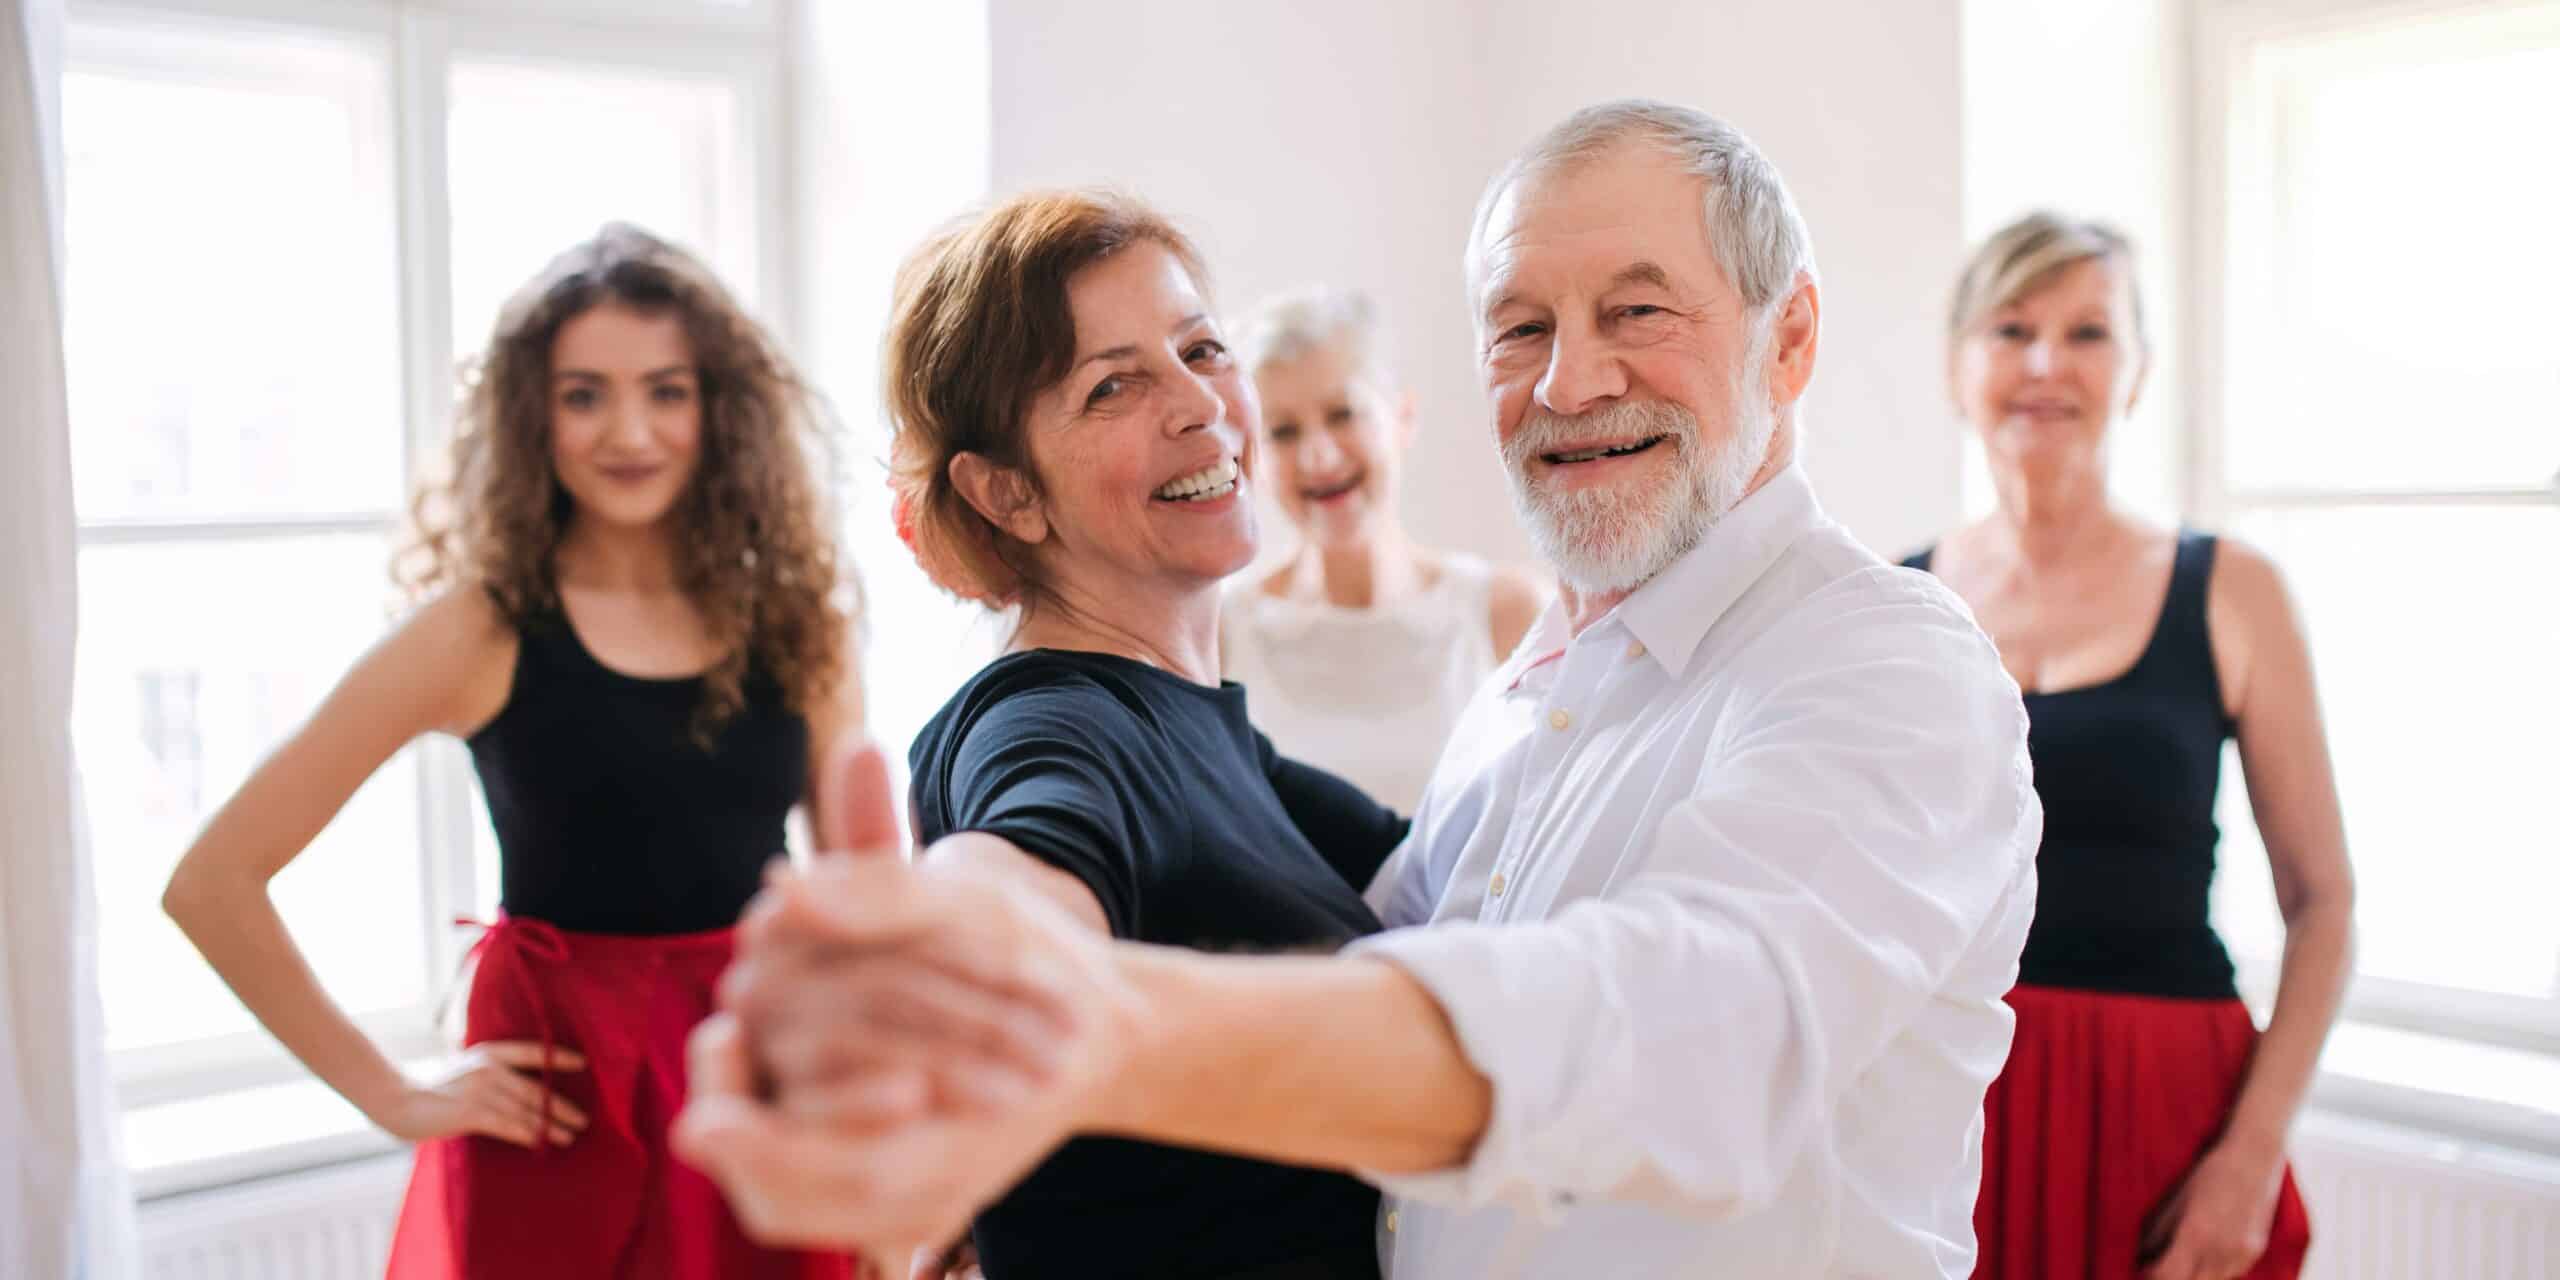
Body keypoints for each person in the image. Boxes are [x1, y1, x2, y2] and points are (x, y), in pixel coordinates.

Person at [680, 100, 2046, 1279]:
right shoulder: (1533, 687)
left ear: (1789, 338)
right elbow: (1039, 850)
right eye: (1520, 328)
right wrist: (967, 1028)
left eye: (1637, 310)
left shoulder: (1884, 662)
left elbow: (1682, 1022)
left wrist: (1068, 1038)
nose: (1572, 378)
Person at [159, 224, 864, 1279]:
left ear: (719, 407)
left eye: (666, 389)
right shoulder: (477, 628)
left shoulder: (799, 618)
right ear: (533, 413)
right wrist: (391, 1091)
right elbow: (211, 881)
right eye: (584, 393)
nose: (629, 428)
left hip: (756, 1082)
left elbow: (859, 899)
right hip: (558, 1112)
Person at [844, 190, 1406, 1278]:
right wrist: (942, 961)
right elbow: (1016, 866)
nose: (1200, 402)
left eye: (1200, 347)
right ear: (1006, 491)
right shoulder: (1051, 719)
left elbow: (1473, 875)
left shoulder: (1217, 735)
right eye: (1114, 385)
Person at [1900, 211, 2353, 1280]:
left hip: (2167, 1105)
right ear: (1957, 366)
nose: (2046, 362)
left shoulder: (2232, 589)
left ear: (2137, 371)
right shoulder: (1895, 600)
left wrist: (2249, 1156)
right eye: (2010, 327)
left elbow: (2323, 901)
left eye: (2088, 332)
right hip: (1946, 1100)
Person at [1221, 288, 1546, 811]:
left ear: (1403, 417)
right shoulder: (1221, 633)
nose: (1318, 455)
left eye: (1343, 413)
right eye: (1282, 432)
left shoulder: (1509, 615)